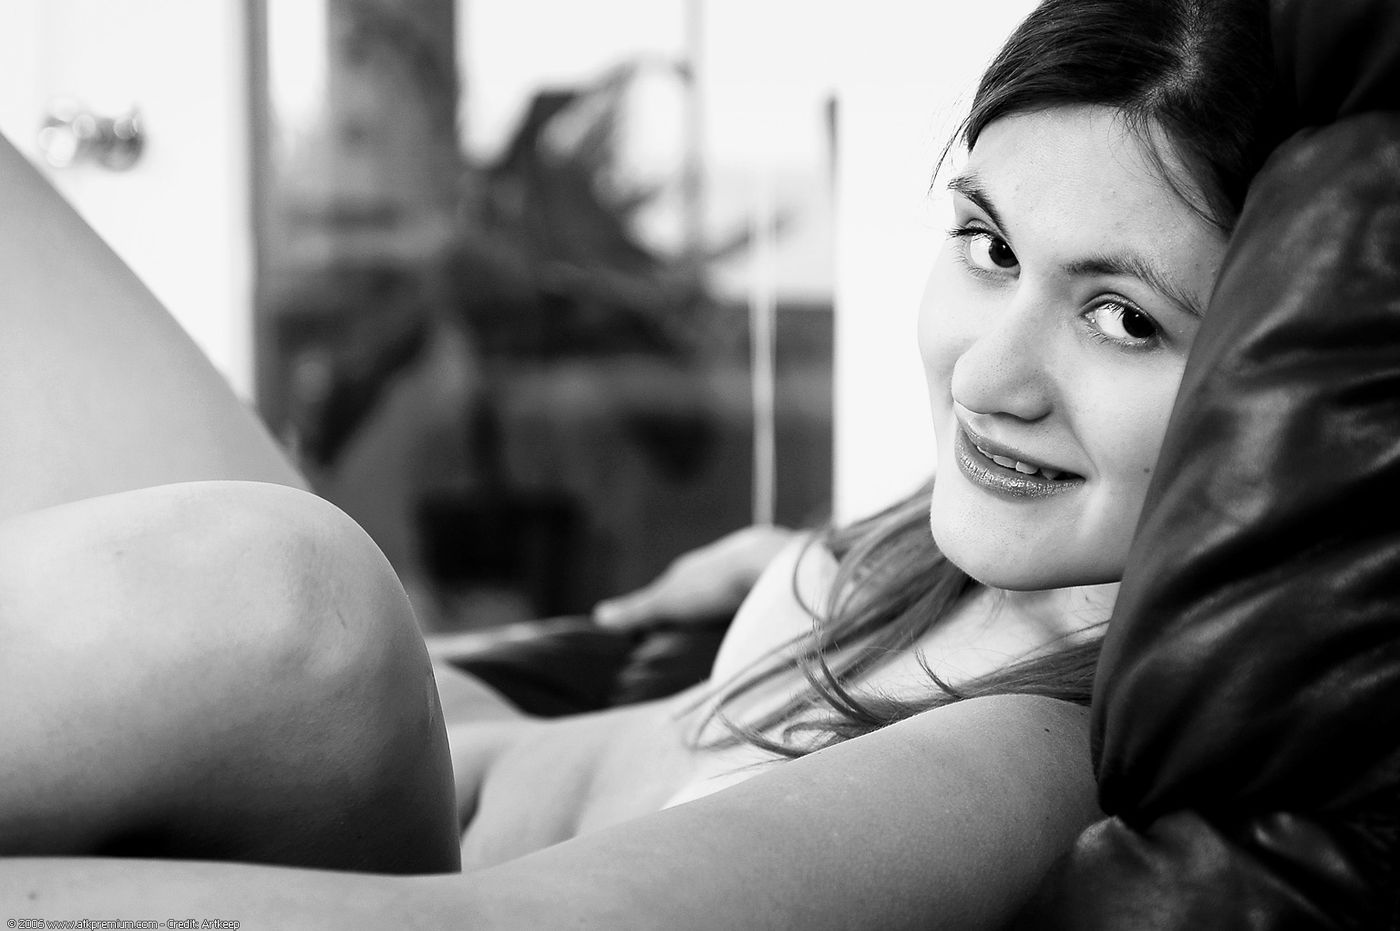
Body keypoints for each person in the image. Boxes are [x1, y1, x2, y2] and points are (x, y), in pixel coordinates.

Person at [0, 0, 1290, 924]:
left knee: (290, 581)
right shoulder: (963, 549)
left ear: (1268, 380)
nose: (985, 377)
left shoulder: (1036, 756)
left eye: (1123, 318)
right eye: (989, 248)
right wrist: (758, 580)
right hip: (445, 720)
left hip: (371, 849)